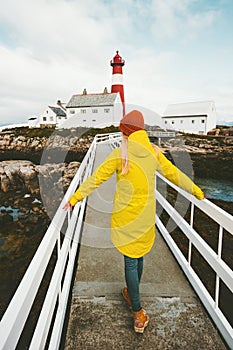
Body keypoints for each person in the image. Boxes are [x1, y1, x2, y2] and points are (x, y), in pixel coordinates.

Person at [63, 110, 204, 333]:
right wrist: (196, 191)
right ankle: (131, 293)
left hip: (125, 217)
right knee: (138, 257)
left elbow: (96, 179)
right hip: (146, 217)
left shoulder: (120, 154)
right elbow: (175, 175)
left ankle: (137, 310)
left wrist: (74, 198)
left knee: (131, 260)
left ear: (124, 132)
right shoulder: (153, 152)